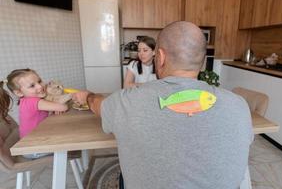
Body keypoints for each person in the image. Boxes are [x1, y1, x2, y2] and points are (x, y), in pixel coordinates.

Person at [72, 21, 253, 189]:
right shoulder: (239, 105)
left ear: (160, 56)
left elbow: (97, 105)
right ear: (203, 62)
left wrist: (88, 96)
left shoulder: (126, 101)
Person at [0, 69, 68, 159]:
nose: (40, 86)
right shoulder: (33, 101)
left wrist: (54, 107)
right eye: (32, 86)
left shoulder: (25, 101)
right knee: (68, 140)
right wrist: (58, 106)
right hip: (34, 149)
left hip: (29, 145)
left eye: (39, 81)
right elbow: (64, 107)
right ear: (19, 92)